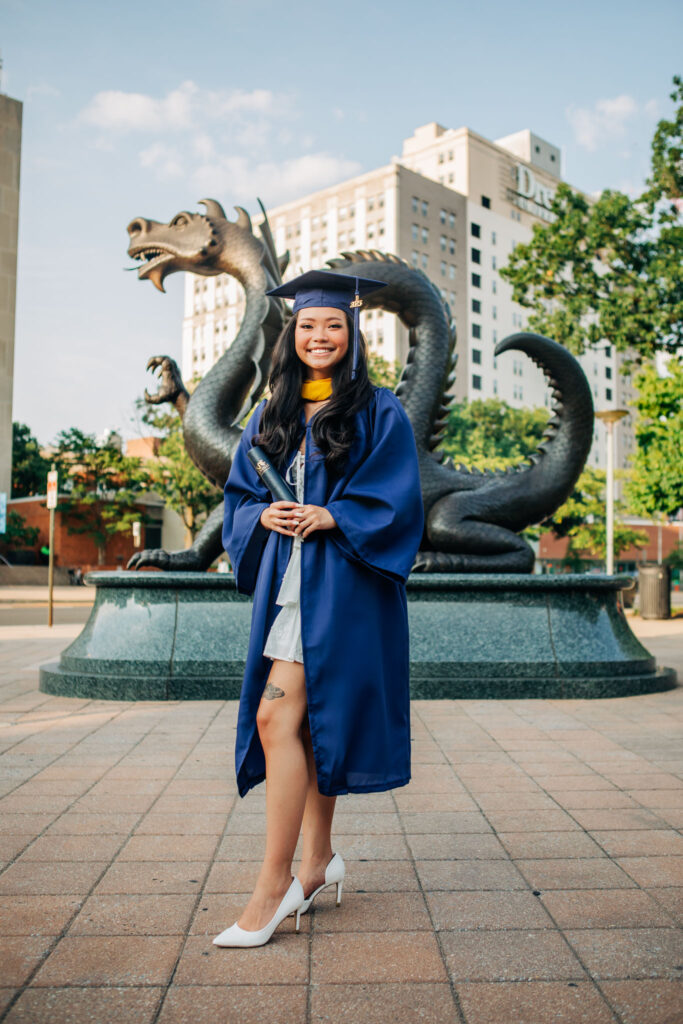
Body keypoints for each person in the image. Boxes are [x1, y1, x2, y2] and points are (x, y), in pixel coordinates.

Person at [217, 269, 424, 947]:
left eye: (332, 324)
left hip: (339, 583)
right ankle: (317, 862)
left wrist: (332, 514)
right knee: (303, 726)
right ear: (291, 334)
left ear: (351, 332)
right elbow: (239, 495)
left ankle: (273, 887)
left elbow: (395, 498)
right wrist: (265, 514)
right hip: (288, 582)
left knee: (277, 714)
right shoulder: (271, 410)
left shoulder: (377, 409)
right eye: (307, 325)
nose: (319, 336)